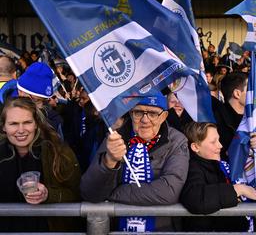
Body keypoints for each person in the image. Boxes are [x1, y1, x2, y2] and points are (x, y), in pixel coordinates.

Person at [80, 91, 189, 232]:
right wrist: (109, 161)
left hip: (161, 228)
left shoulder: (177, 141)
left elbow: (168, 191)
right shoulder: (115, 138)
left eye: (152, 113)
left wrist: (113, 193)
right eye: (138, 112)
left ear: (164, 116)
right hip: (117, 229)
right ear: (131, 114)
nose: (145, 120)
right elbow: (90, 192)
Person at [0, 97, 81, 232]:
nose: (21, 130)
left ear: (36, 123)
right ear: (4, 126)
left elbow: (77, 193)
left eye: (27, 122)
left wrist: (48, 195)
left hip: (48, 230)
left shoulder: (57, 151)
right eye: (13, 124)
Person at [180, 121, 256, 232]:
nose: (220, 145)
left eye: (218, 140)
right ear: (195, 147)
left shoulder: (224, 162)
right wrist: (238, 190)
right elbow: (195, 197)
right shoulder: (191, 168)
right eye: (213, 142)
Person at [17, 61, 64, 138]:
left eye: (43, 100)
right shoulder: (6, 112)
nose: (41, 106)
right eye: (36, 100)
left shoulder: (54, 122)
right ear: (20, 92)